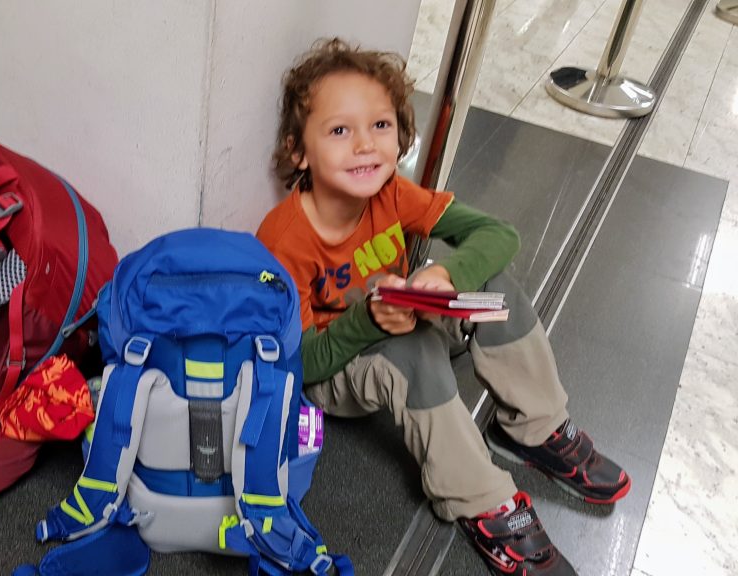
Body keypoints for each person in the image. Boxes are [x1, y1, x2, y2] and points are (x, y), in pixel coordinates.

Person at [256, 38, 630, 576]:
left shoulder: (390, 192)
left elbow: (497, 234)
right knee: (409, 355)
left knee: (493, 286)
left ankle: (534, 427)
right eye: (339, 131)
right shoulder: (284, 239)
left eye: (380, 126)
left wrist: (444, 275)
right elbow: (299, 365)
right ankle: (482, 502)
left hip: (400, 316)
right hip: (337, 366)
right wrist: (367, 321)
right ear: (299, 151)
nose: (365, 145)